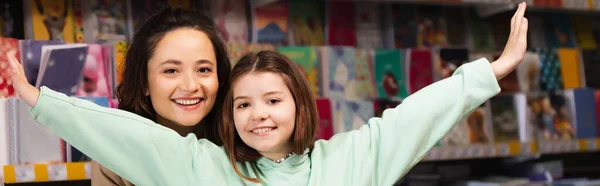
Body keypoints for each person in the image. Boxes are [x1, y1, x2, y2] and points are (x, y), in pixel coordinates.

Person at [6, 3, 529, 185]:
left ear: (303, 104)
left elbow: (413, 118)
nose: (258, 115)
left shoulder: (350, 160)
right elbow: (127, 135)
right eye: (243, 104)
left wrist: (489, 72)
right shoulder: (201, 166)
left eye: (274, 100)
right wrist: (37, 98)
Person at [88, 7, 231, 186]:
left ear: (220, 77)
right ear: (144, 82)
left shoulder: (244, 142)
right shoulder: (112, 153)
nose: (190, 86)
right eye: (171, 71)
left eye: (203, 70)